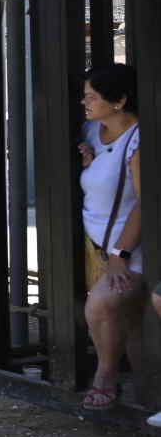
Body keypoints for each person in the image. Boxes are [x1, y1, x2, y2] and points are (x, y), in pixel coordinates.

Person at [77, 63, 143, 411]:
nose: (84, 103)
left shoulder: (139, 140)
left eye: (92, 97)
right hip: (97, 243)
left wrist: (121, 252)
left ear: (118, 102)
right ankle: (143, 383)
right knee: (121, 316)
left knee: (101, 306)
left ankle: (106, 376)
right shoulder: (93, 131)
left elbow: (146, 202)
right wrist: (89, 165)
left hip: (128, 248)